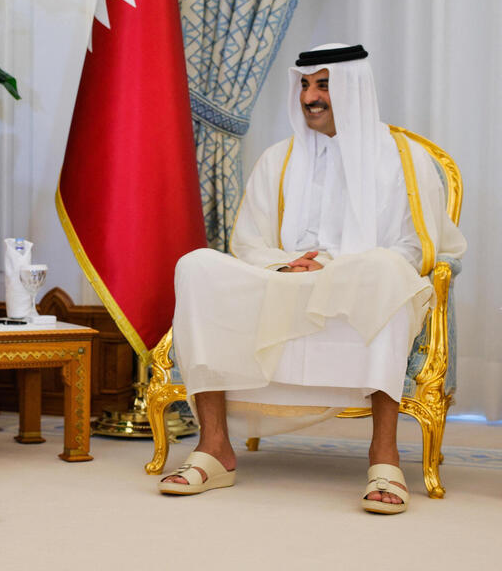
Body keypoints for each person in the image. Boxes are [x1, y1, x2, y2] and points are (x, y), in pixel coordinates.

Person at [159, 44, 466, 514]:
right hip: (281, 280)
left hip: (358, 280)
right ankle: (215, 447)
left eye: (323, 84)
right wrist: (285, 266)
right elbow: (247, 244)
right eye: (304, 85)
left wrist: (334, 266)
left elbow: (414, 248)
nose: (310, 97)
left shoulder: (404, 159)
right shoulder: (278, 159)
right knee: (196, 264)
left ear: (353, 87)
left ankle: (384, 457)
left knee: (386, 271)